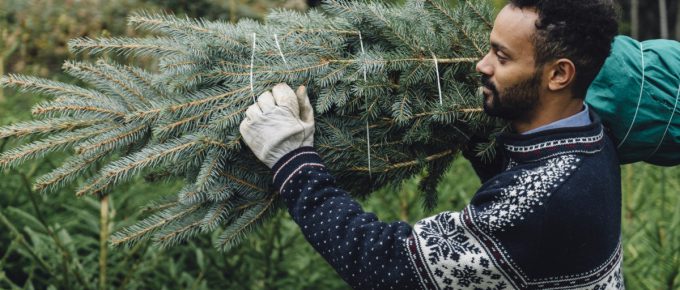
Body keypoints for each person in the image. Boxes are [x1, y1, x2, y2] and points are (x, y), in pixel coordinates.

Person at [238, 0, 622, 289]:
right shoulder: (591, 138)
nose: (481, 65)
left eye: (502, 57)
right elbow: (510, 159)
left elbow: (385, 265)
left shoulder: (542, 203)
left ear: (558, 74)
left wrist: (292, 158)